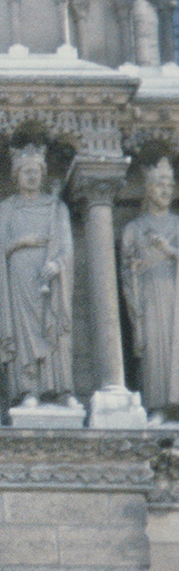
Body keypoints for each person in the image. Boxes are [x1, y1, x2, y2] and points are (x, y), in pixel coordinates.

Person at [0, 142, 75, 406]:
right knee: (24, 330)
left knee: (54, 327)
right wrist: (22, 241)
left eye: (36, 171)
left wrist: (58, 265)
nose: (32, 176)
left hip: (50, 276)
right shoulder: (7, 208)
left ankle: (61, 389)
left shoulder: (56, 207)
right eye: (26, 171)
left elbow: (67, 246)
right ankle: (29, 389)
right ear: (16, 175)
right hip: (20, 276)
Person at [121, 156, 179, 418]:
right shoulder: (134, 228)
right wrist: (133, 274)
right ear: (148, 189)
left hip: (175, 291)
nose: (165, 190)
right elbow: (126, 267)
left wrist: (170, 251)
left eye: (169, 185)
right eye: (159, 185)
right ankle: (157, 407)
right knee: (154, 349)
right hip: (148, 294)